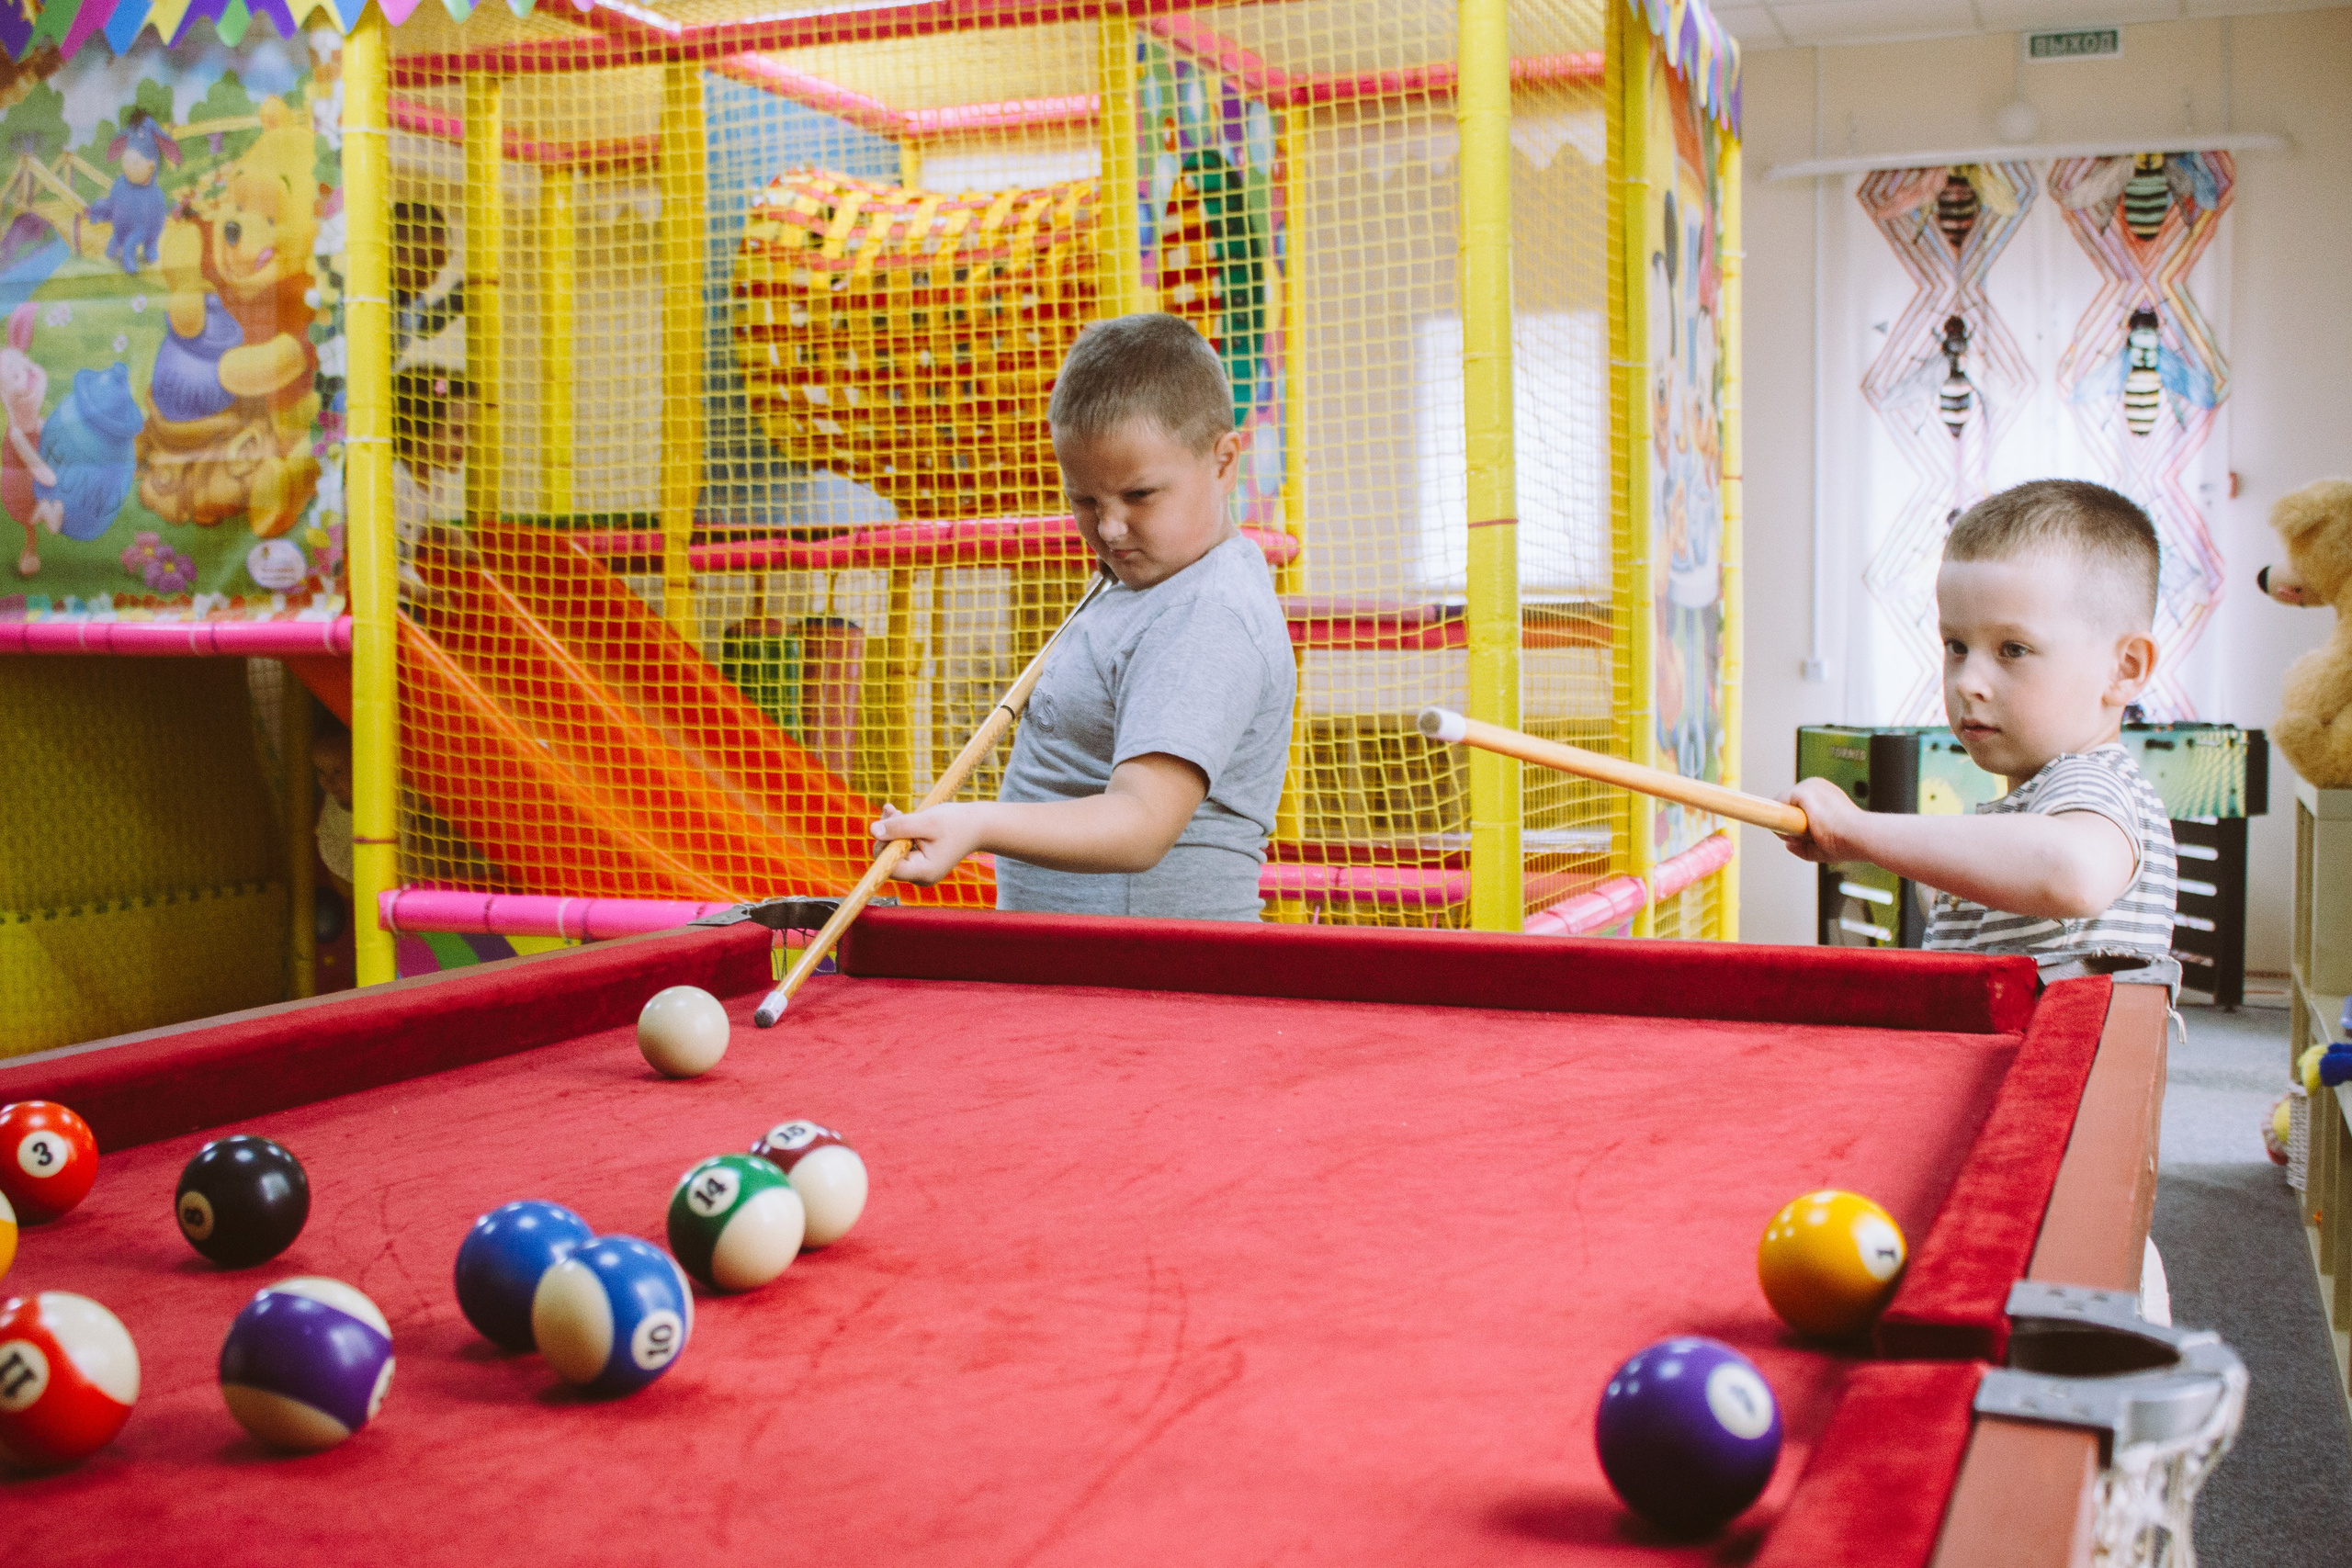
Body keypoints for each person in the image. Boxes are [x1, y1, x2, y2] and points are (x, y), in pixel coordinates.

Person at [874, 312, 1295, 920]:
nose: (1110, 527)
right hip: (1099, 963)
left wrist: (975, 823)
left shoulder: (1206, 614)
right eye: (1085, 499)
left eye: (1140, 495)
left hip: (1152, 969)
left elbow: (1142, 823)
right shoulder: (1149, 583)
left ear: (1224, 462)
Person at [1779, 479, 2178, 981]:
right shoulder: (2043, 802)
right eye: (1957, 646)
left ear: (2124, 668)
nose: (1967, 681)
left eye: (2013, 649)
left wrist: (1854, 829)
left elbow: (2074, 872)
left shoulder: (2094, 783)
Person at [391, 367, 476, 604]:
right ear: (417, 430)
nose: (469, 442)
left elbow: (408, 527)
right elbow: (363, 554)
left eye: (469, 431)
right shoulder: (391, 481)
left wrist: (448, 533)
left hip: (404, 586)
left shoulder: (433, 477)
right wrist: (418, 592)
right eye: (457, 432)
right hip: (372, 593)